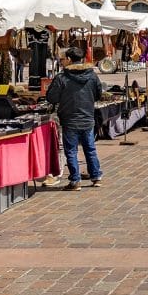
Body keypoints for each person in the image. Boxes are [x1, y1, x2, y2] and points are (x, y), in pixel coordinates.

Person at [46, 47, 104, 191]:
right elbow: (98, 94)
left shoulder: (62, 77)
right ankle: (96, 177)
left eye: (63, 59)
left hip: (69, 118)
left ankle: (75, 181)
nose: (62, 62)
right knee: (90, 148)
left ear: (70, 60)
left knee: (71, 150)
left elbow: (51, 97)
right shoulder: (92, 75)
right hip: (87, 117)